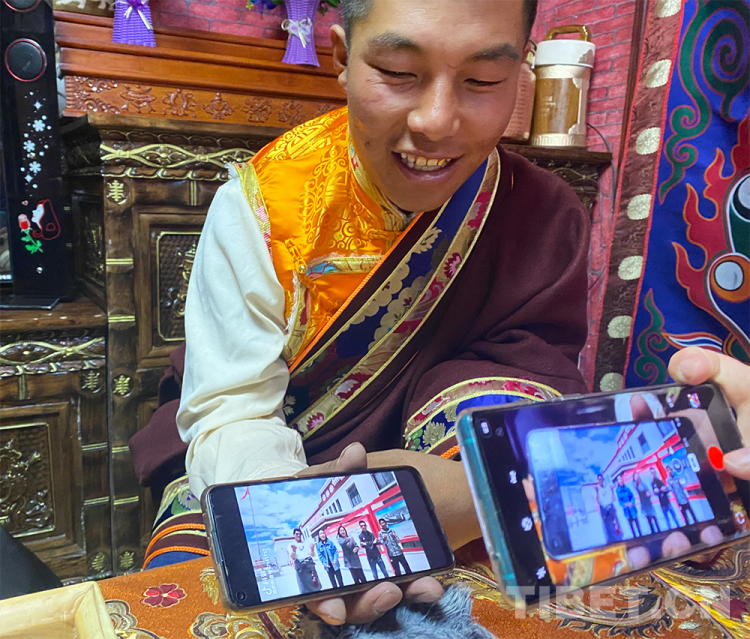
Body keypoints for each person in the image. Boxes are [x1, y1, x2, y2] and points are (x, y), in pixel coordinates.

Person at [287, 528, 321, 595]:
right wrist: (294, 550)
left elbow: (312, 555)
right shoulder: (291, 545)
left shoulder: (306, 543)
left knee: (315, 585)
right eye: (297, 534)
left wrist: (312, 549)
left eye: (300, 534)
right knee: (305, 589)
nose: (298, 535)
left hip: (309, 565)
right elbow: (293, 558)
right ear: (294, 535)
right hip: (301, 568)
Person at [595, 474, 620, 543]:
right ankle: (610, 540)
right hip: (604, 510)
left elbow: (613, 499)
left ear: (603, 480)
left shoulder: (607, 487)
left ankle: (618, 538)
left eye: (601, 479)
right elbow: (597, 501)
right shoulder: (596, 489)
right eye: (599, 479)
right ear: (597, 481)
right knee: (607, 526)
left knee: (615, 524)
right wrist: (596, 492)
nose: (600, 481)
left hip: (610, 508)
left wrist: (612, 491)